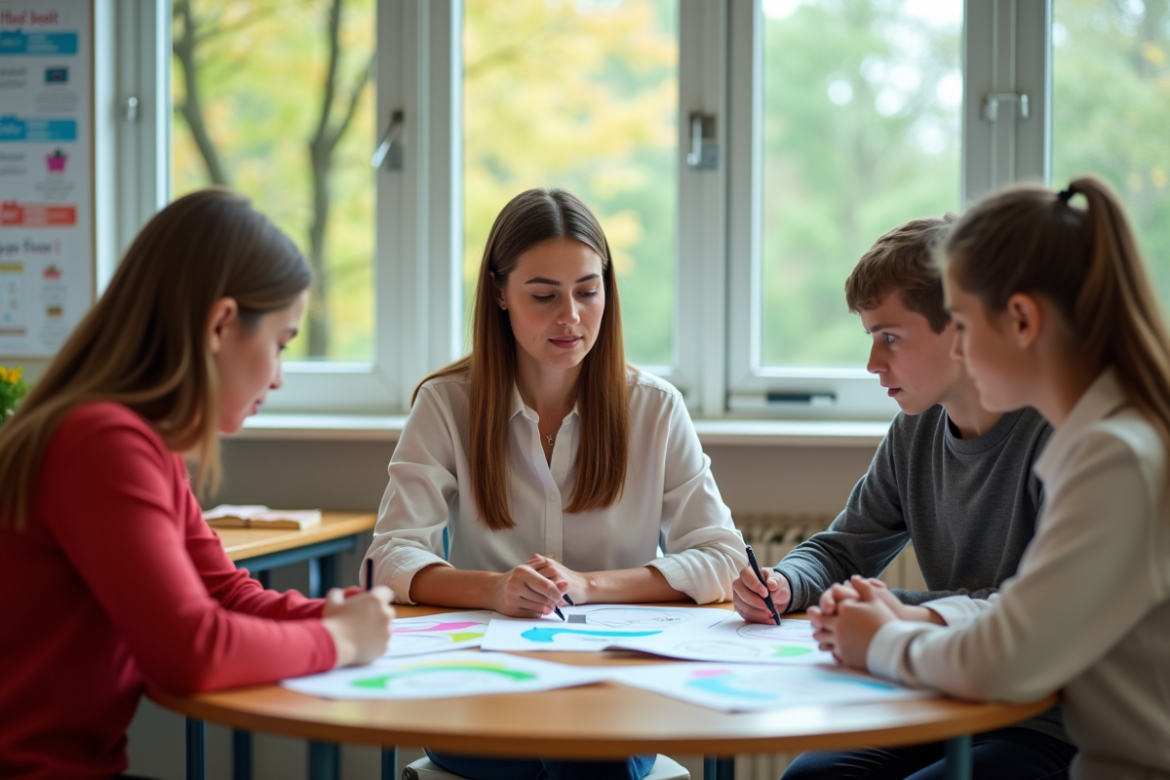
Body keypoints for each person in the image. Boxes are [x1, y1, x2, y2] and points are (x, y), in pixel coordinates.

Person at [0, 189, 395, 780]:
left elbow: (227, 595)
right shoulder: (102, 442)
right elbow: (192, 652)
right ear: (221, 324)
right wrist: (339, 642)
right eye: (281, 344)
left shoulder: (141, 441)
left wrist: (332, 616)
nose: (280, 378)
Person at [367, 187, 746, 780]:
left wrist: (590, 585)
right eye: (543, 296)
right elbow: (387, 557)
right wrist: (494, 590)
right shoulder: (447, 405)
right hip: (484, 690)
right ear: (499, 293)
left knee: (585, 741)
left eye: (588, 292)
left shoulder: (653, 407)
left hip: (612, 690)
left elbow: (723, 555)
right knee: (572, 750)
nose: (570, 316)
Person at [814, 175, 1170, 780]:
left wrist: (879, 637)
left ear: (1023, 322)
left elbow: (1006, 656)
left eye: (965, 325)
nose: (963, 353)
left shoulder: (1115, 458)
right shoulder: (1103, 439)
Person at [732, 215, 1073, 779]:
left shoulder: (1055, 435)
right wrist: (788, 582)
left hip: (1051, 721)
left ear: (961, 329)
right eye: (870, 338)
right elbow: (843, 550)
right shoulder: (915, 431)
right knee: (810, 777)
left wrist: (888, 613)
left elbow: (1031, 612)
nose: (872, 364)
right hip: (942, 701)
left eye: (890, 337)